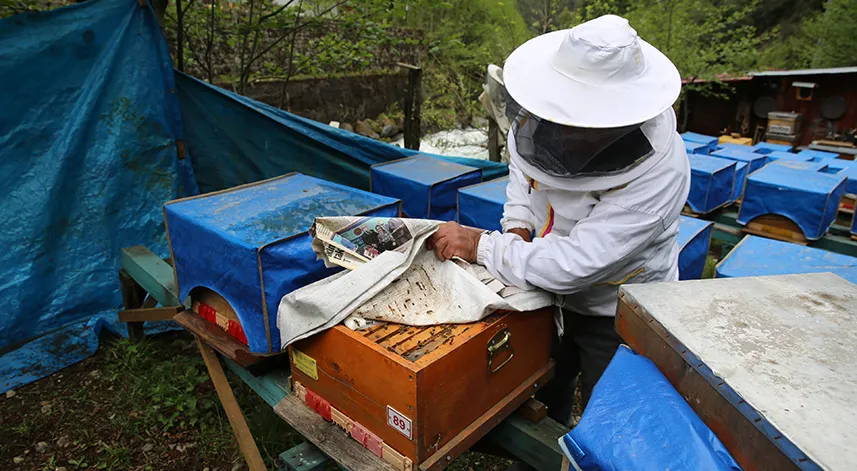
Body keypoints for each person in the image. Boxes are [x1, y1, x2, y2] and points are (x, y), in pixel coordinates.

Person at [427, 14, 690, 426]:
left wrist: (483, 245)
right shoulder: (541, 120)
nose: (566, 133)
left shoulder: (660, 174)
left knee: (614, 416)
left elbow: (574, 264)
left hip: (618, 306)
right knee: (544, 387)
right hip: (544, 292)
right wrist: (515, 228)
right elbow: (525, 173)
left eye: (582, 126)